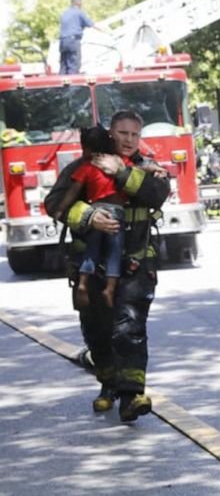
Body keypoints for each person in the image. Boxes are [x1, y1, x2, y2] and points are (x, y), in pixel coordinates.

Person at [45, 110, 170, 422]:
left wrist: (121, 174)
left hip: (136, 264)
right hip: (91, 266)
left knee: (129, 328)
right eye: (122, 134)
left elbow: (157, 195)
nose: (128, 140)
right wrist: (88, 217)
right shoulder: (84, 166)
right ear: (111, 133)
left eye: (134, 135)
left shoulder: (147, 169)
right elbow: (54, 204)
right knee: (98, 331)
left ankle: (131, 396)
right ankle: (108, 385)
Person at [52, 126, 128, 308]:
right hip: (116, 214)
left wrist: (60, 211)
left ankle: (83, 283)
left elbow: (71, 193)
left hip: (96, 211)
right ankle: (110, 289)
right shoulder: (120, 162)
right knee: (114, 253)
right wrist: (154, 168)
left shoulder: (85, 167)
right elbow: (140, 173)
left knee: (91, 250)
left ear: (86, 147)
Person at [58, 0, 107, 75]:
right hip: (73, 41)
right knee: (74, 65)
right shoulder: (79, 12)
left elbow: (70, 26)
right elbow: (91, 24)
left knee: (64, 65)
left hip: (63, 41)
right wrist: (105, 31)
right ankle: (72, 86)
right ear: (79, 3)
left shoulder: (65, 13)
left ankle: (60, 85)